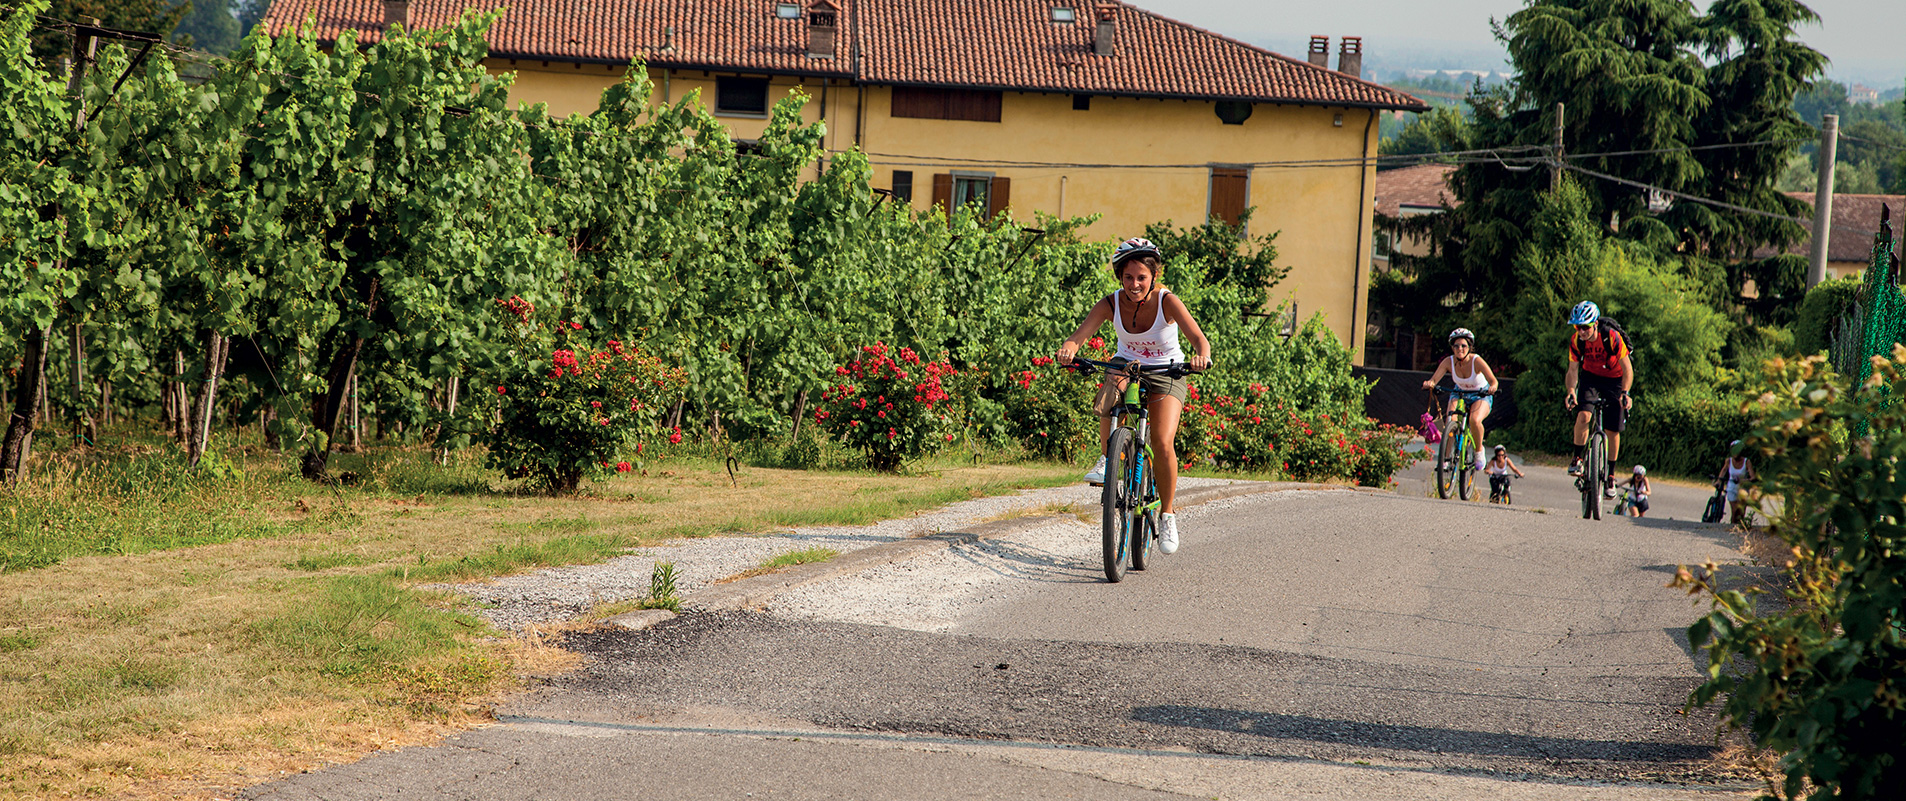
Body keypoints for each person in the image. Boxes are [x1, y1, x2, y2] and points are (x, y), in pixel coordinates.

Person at [1057, 237, 1213, 555]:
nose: (1134, 284)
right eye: (1128, 277)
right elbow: (1080, 334)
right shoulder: (1111, 303)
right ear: (1120, 278)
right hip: (1127, 367)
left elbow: (1199, 338)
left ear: (1153, 276)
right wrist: (1070, 348)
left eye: (1141, 277)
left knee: (1162, 440)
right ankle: (1108, 459)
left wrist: (1201, 356)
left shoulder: (1167, 301)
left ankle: (1167, 514)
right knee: (1108, 397)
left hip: (1168, 371)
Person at [1563, 301, 1633, 498]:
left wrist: (1625, 393)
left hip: (1615, 380)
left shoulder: (1611, 336)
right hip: (1590, 378)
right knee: (1584, 416)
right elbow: (1572, 369)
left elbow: (1628, 369)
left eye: (1585, 327)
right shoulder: (1577, 340)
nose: (1582, 331)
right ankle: (1577, 458)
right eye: (1578, 327)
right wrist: (1571, 391)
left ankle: (1610, 475)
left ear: (1595, 324)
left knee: (1613, 430)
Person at [1420, 328, 1499, 473]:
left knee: (1474, 421)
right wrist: (1430, 383)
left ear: (1470, 347)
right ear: (1452, 348)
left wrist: (1492, 387)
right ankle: (1446, 459)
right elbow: (1434, 379)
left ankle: (1478, 451)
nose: (1459, 349)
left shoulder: (1477, 361)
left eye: (1463, 345)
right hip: (1459, 393)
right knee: (1450, 420)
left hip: (1480, 394)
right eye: (1456, 346)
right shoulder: (1448, 362)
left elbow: (1493, 381)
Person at [1716, 443, 1757, 527]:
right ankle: (1733, 527)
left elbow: (1752, 477)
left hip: (1742, 489)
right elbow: (1723, 471)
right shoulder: (1728, 461)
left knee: (1741, 512)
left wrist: (1745, 480)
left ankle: (1740, 527)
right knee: (1734, 510)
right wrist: (1718, 481)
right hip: (1732, 488)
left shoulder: (1747, 462)